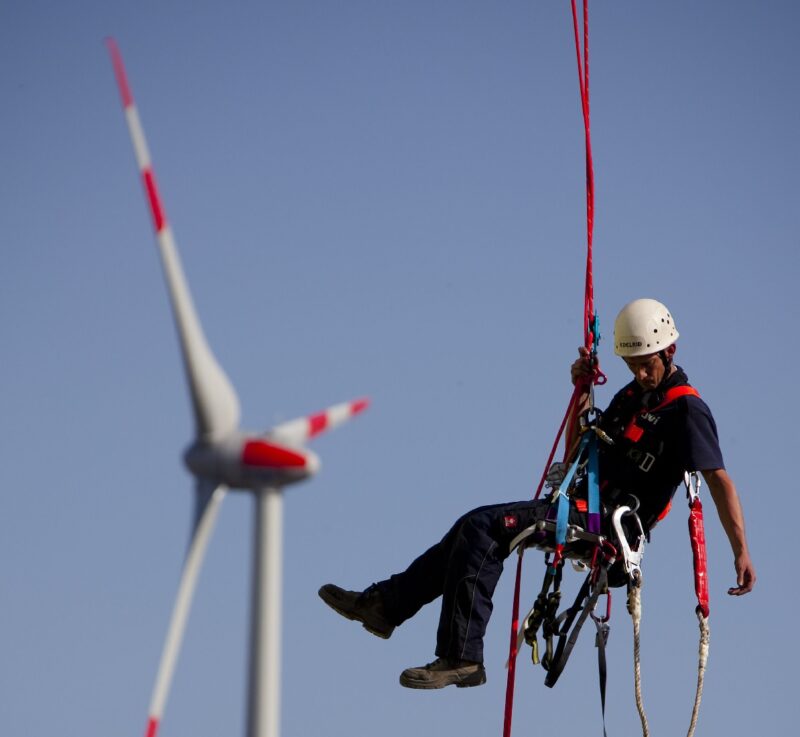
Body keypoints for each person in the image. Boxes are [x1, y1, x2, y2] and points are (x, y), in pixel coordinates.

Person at [319, 298, 756, 690]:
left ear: (669, 351)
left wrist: (740, 551)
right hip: (583, 507)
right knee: (469, 530)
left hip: (610, 526)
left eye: (647, 364)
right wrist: (581, 392)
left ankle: (462, 657)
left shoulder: (686, 409)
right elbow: (578, 448)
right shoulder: (632, 397)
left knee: (484, 527)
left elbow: (719, 481)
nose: (640, 374)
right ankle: (386, 606)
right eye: (633, 366)